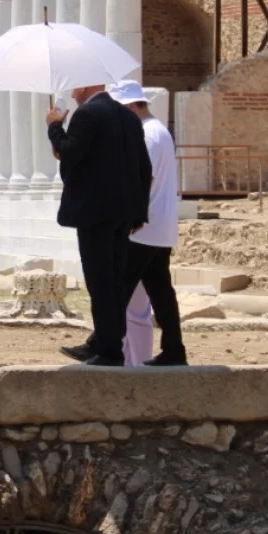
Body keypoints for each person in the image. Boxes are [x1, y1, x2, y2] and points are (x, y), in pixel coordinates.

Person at [46, 82, 150, 366]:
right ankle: (110, 342)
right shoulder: (128, 116)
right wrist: (139, 213)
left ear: (89, 85)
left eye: (77, 83)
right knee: (114, 279)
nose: (73, 88)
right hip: (123, 213)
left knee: (100, 281)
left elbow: (69, 151)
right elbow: (142, 166)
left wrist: (55, 127)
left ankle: (108, 351)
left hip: (95, 213)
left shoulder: (87, 114)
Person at [110, 81, 187, 367]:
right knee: (160, 292)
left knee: (119, 289)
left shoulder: (147, 134)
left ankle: (102, 345)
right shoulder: (158, 131)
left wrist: (131, 216)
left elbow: (144, 178)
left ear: (131, 107)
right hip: (159, 227)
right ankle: (174, 350)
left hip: (144, 228)